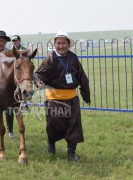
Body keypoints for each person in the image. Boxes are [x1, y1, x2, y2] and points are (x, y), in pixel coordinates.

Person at [34, 30, 91, 161]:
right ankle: (51, 141)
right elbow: (38, 75)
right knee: (54, 126)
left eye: (63, 43)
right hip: (54, 100)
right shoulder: (50, 59)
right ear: (54, 44)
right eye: (58, 43)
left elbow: (82, 78)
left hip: (72, 99)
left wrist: (86, 95)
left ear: (68, 44)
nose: (61, 46)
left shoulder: (73, 58)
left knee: (74, 125)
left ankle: (71, 153)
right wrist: (39, 82)